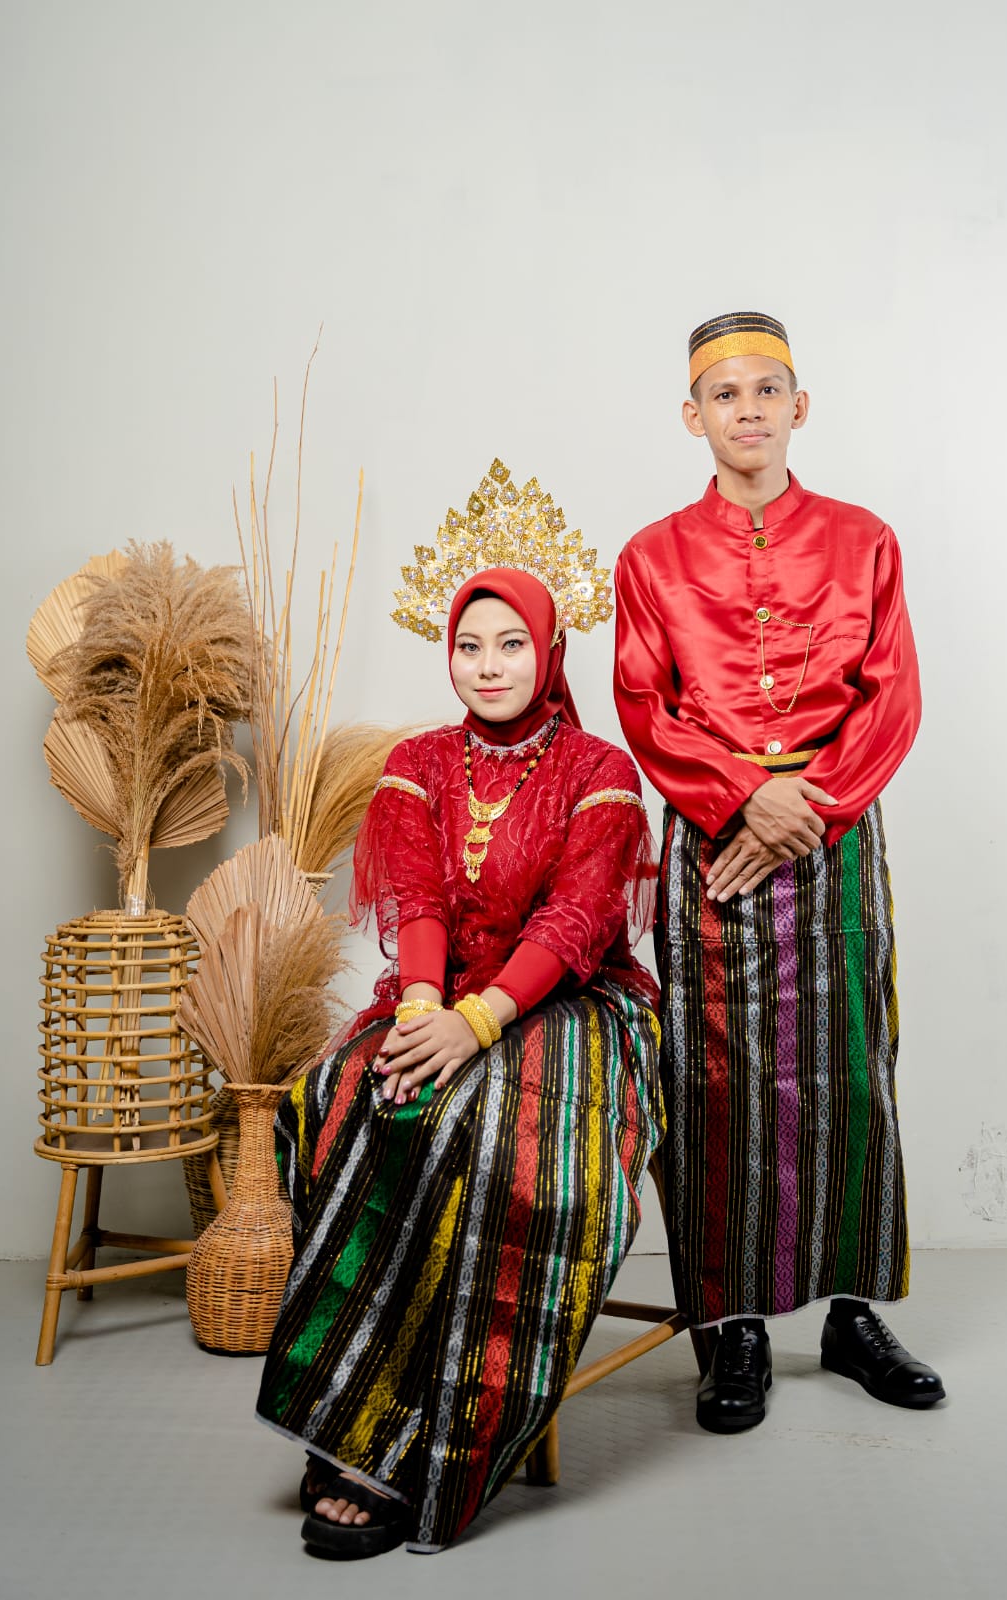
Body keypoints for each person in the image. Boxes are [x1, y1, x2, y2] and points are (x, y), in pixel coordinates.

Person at [256, 460, 664, 1557]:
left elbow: (576, 922)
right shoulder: (418, 762)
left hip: (570, 1004)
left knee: (493, 1135)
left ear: (549, 651)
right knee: (347, 1098)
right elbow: (419, 900)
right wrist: (426, 1006)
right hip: (435, 992)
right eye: (469, 646)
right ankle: (349, 1410)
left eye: (510, 644)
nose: (487, 666)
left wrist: (477, 1024)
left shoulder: (599, 768)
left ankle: (431, 1436)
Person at [613, 311, 944, 1436]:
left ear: (799, 407)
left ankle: (853, 1315)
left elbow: (892, 694)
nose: (746, 410)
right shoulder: (651, 557)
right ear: (692, 416)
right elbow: (644, 704)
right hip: (715, 841)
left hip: (834, 838)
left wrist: (810, 804)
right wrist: (740, 797)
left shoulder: (863, 540)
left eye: (766, 390)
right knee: (716, 1081)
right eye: (725, 393)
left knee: (852, 1064)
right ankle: (733, 1326)